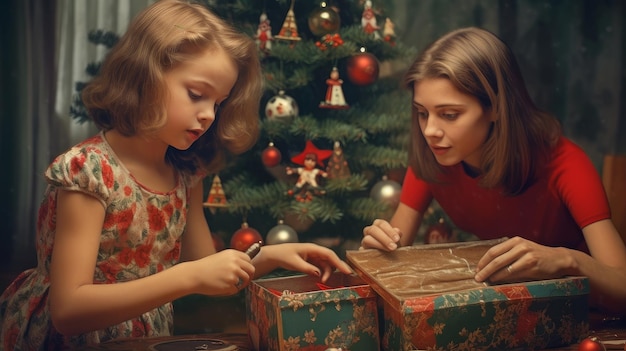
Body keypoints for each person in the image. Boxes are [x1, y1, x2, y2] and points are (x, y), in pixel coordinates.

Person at [0, 1, 352, 349]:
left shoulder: (185, 174)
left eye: (218, 103)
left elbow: (204, 267)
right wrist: (187, 278)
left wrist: (273, 256)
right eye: (196, 95)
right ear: (145, 76)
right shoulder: (89, 172)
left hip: (143, 339)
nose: (210, 115)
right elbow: (68, 310)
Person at [361, 27, 626, 314]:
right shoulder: (434, 157)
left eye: (449, 115)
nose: (430, 131)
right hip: (509, 313)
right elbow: (393, 255)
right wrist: (378, 251)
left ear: (497, 108)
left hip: (585, 314)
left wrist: (567, 261)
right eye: (422, 113)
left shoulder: (564, 163)